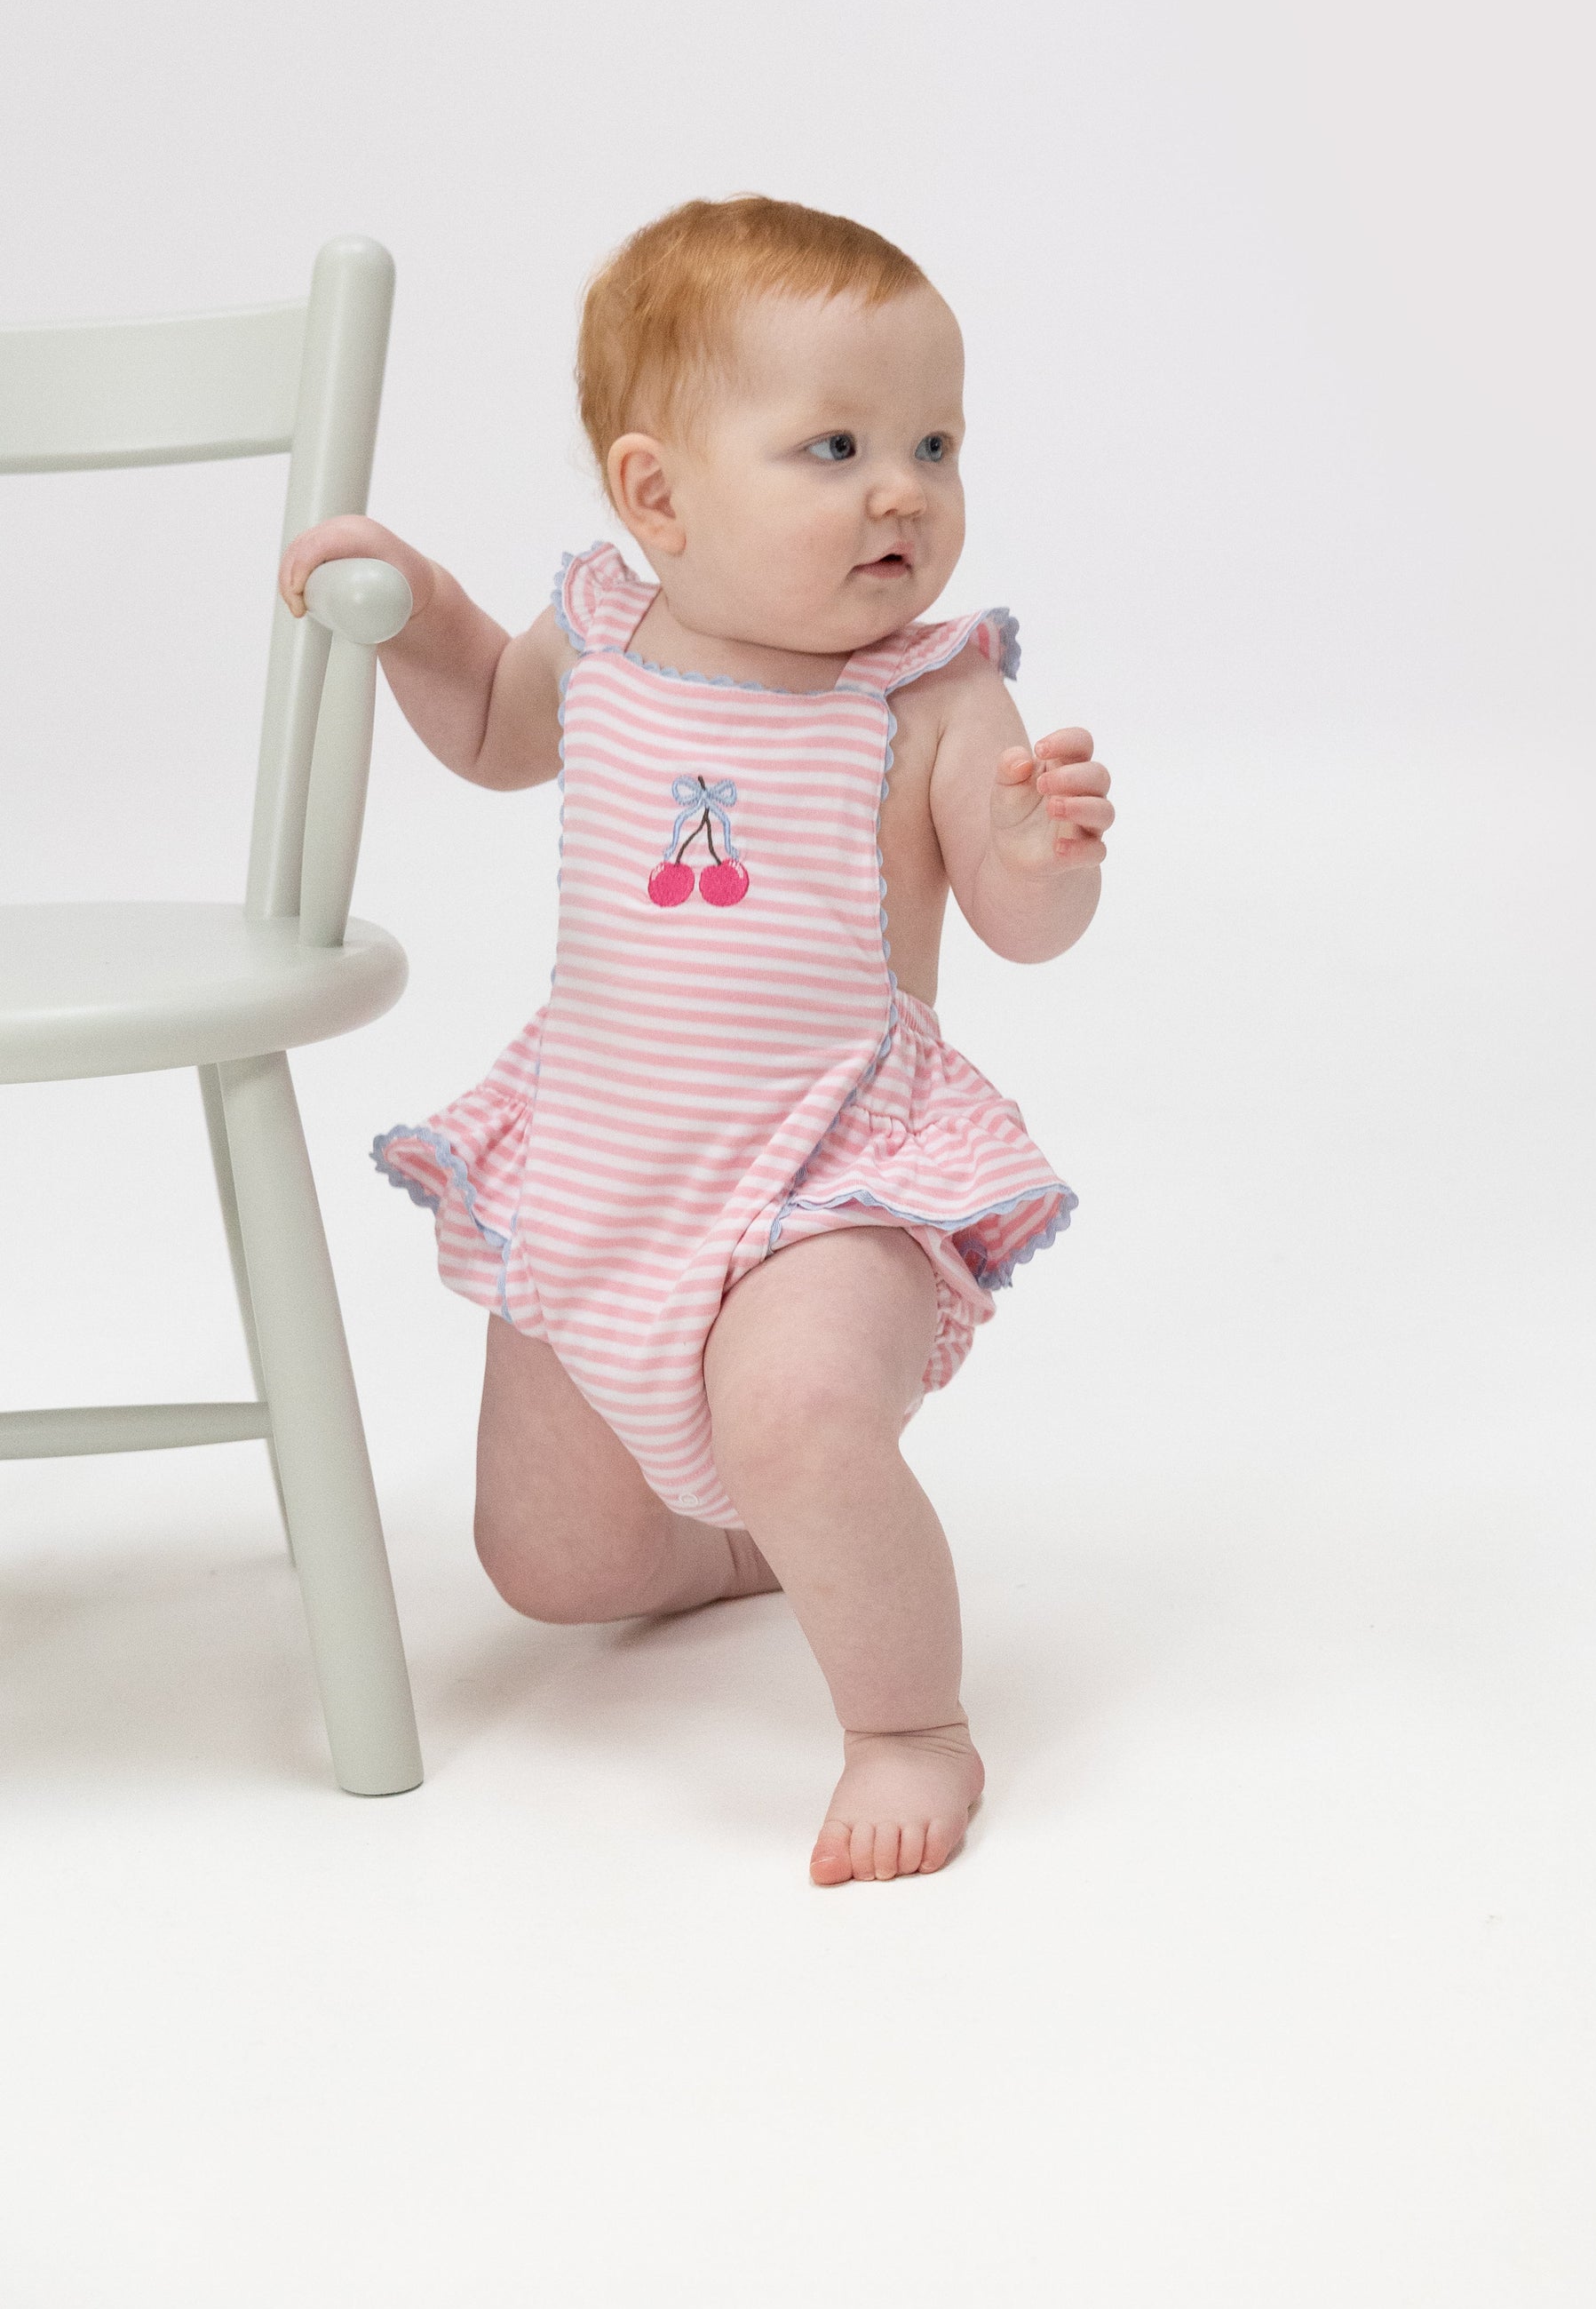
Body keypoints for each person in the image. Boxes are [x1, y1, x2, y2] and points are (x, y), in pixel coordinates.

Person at [280, 196, 1108, 1883]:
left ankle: (909, 1724)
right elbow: (491, 730)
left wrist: (1042, 854)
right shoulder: (601, 634)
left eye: (935, 444)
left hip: (828, 1169)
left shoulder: (934, 696)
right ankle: (745, 1552)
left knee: (797, 1416)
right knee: (552, 1565)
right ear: (656, 496)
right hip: (600, 1166)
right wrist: (420, 614)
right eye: (837, 447)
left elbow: (1026, 931)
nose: (904, 490)